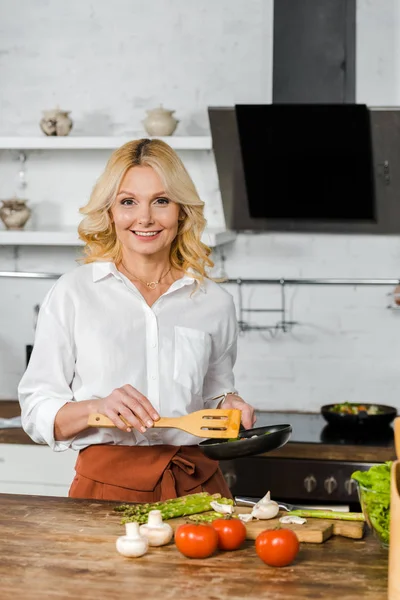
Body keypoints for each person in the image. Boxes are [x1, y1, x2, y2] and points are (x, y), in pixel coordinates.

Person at [18, 138, 256, 503]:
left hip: (196, 486)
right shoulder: (73, 293)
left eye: (161, 201)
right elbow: (36, 412)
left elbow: (215, 392)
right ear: (110, 212)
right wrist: (96, 408)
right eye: (128, 202)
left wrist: (229, 404)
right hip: (104, 488)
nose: (145, 218)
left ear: (181, 211)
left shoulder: (214, 302)